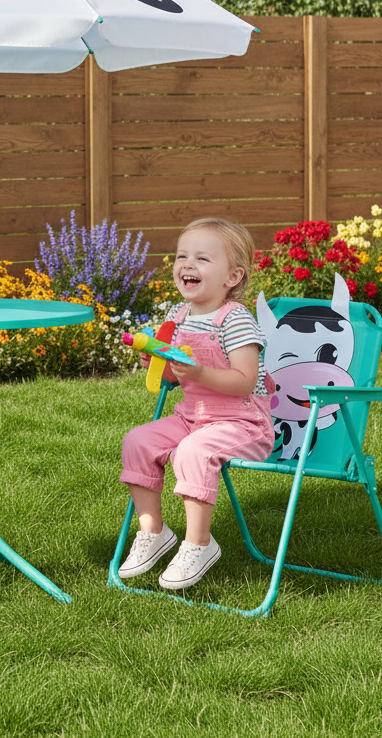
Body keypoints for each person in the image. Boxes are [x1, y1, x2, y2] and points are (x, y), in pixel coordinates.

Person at [118, 217, 274, 590]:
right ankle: (154, 531)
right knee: (137, 441)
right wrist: (163, 367)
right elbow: (176, 376)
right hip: (192, 416)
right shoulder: (178, 315)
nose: (187, 264)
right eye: (181, 256)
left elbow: (246, 381)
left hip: (243, 423)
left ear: (232, 277)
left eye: (202, 259)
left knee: (193, 451)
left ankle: (199, 543)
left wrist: (199, 372)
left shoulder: (235, 319)